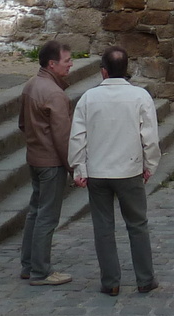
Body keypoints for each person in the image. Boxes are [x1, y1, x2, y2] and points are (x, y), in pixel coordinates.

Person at [68, 46, 161, 296]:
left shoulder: (88, 98)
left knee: (103, 227)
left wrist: (79, 168)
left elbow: (78, 136)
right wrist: (149, 164)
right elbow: (150, 137)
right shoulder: (140, 96)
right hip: (129, 169)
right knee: (137, 224)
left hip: (98, 171)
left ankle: (111, 281)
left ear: (103, 72)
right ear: (126, 70)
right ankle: (144, 278)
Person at [18, 39, 73, 285]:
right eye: (67, 61)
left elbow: (22, 123)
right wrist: (72, 166)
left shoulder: (31, 85)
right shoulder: (55, 93)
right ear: (52, 64)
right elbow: (62, 136)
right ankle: (41, 270)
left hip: (35, 157)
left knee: (35, 212)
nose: (71, 65)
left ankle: (29, 265)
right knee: (47, 217)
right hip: (51, 161)